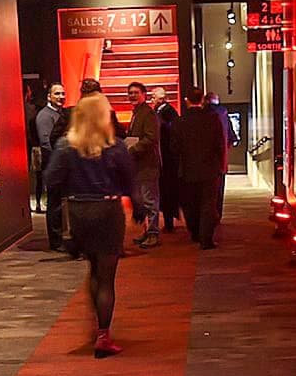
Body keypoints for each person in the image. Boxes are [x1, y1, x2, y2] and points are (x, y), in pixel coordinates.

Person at [44, 93, 139, 357]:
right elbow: (130, 180)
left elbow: (51, 179)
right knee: (107, 277)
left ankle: (95, 326)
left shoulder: (65, 145)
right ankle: (103, 335)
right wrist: (137, 205)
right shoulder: (116, 146)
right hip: (108, 211)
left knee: (94, 270)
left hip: (78, 211)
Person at [168, 87, 233, 246]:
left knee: (190, 204)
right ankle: (206, 239)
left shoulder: (179, 122)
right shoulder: (213, 119)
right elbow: (220, 144)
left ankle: (195, 233)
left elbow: (174, 148)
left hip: (187, 169)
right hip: (210, 168)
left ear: (187, 101)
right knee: (208, 204)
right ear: (202, 101)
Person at [123, 81, 164, 247]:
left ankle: (153, 233)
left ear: (144, 95)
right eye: (130, 93)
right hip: (139, 165)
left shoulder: (148, 114)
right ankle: (148, 231)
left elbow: (151, 138)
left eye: (135, 93)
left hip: (148, 164)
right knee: (144, 199)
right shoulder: (137, 113)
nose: (132, 95)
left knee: (150, 200)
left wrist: (131, 149)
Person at [33, 81, 69, 250]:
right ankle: (56, 241)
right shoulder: (44, 116)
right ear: (49, 96)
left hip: (61, 166)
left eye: (62, 93)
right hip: (53, 166)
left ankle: (62, 237)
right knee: (54, 204)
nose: (61, 97)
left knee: (60, 204)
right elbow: (46, 143)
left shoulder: (61, 114)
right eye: (57, 94)